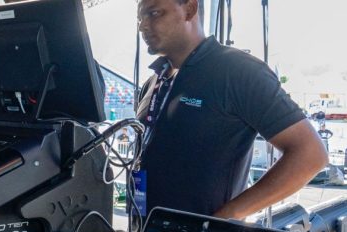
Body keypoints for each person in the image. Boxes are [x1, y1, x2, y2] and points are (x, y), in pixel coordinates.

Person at [134, 0, 327, 220]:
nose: (143, 26)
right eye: (140, 17)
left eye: (154, 13)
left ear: (189, 9)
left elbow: (311, 154)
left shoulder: (238, 72)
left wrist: (227, 217)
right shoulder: (153, 83)